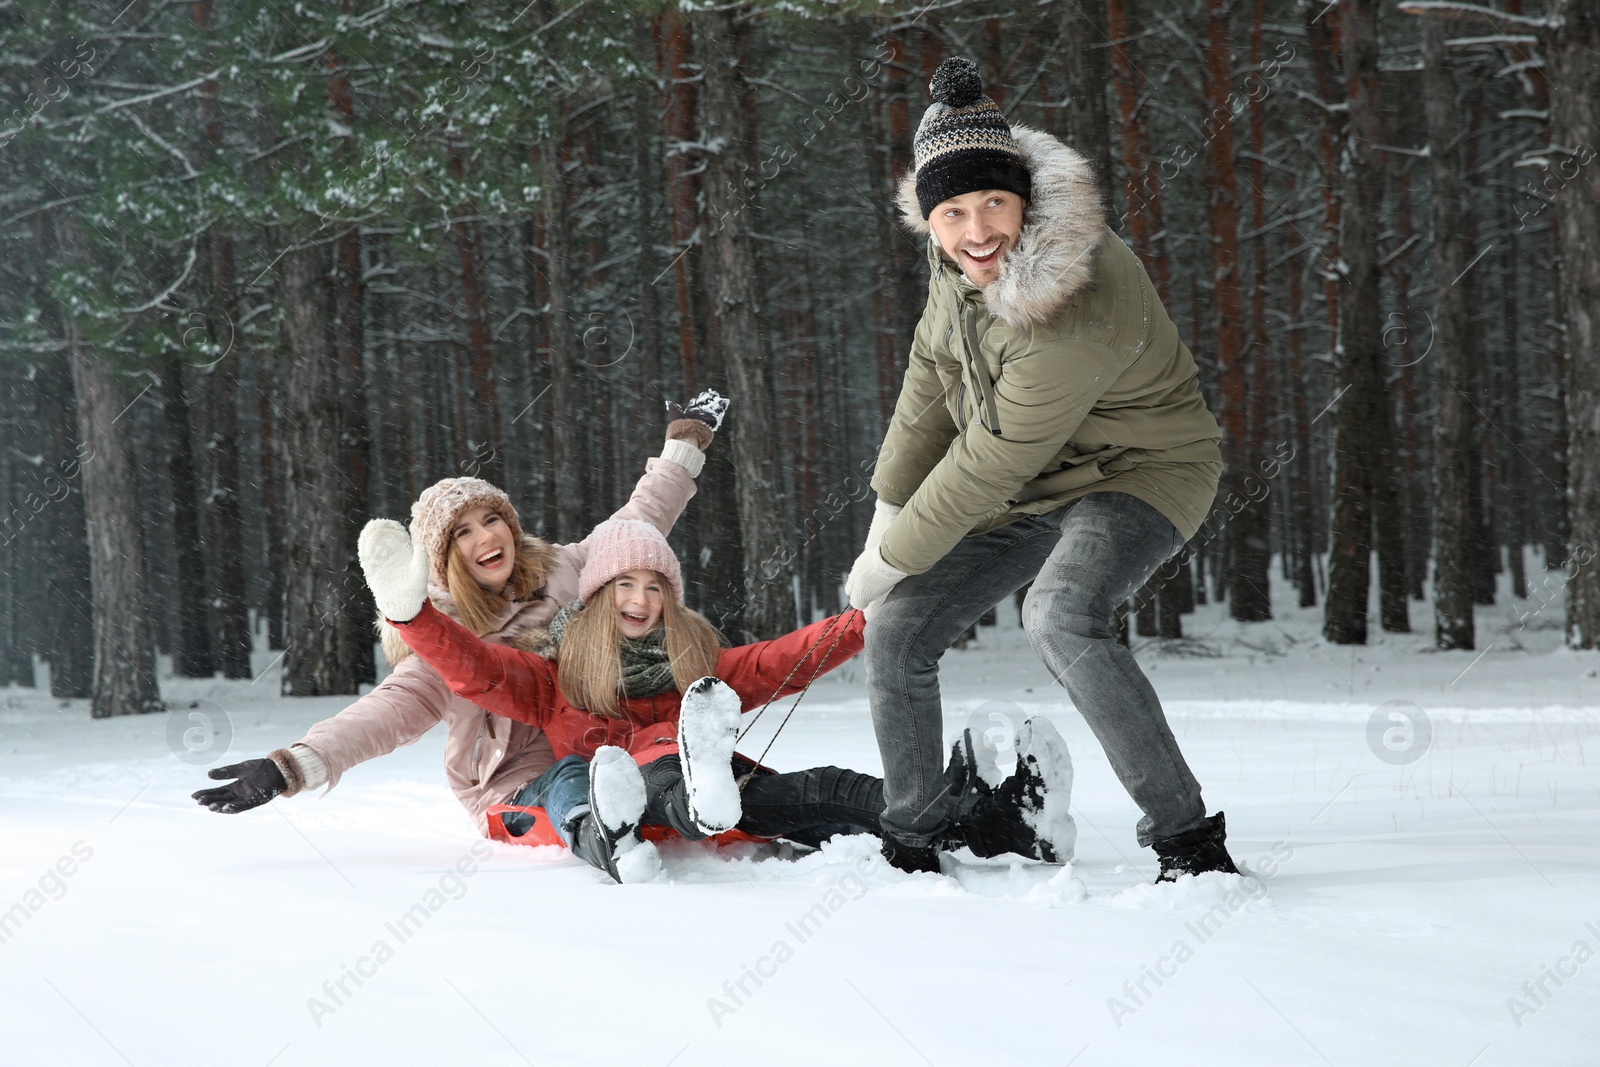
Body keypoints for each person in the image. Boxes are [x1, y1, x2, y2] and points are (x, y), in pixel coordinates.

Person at [843, 57, 1239, 882]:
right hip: (1036, 480)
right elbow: (928, 378)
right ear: (929, 220)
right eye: (952, 211)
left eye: (994, 202)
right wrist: (888, 509)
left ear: (1025, 196)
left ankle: (1188, 840)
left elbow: (990, 459)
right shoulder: (956, 265)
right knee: (900, 629)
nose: (977, 229)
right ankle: (913, 837)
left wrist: (891, 556)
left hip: (1141, 471)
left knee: (1060, 614)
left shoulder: (1074, 291)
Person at [358, 516, 1076, 883]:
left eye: (654, 587)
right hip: (609, 799)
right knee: (609, 773)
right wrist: (412, 615)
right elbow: (473, 667)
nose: (639, 599)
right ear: (597, 597)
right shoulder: (549, 675)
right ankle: (633, 827)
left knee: (829, 791)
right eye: (623, 587)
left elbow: (785, 658)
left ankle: (996, 820)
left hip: (720, 799)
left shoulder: (694, 666)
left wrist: (870, 616)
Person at [192, 392, 730, 845]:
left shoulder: (567, 573)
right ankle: (603, 832)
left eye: (492, 519)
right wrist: (293, 765)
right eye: (463, 533)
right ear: (444, 558)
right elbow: (390, 709)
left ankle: (745, 805)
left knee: (653, 767)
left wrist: (683, 445)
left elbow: (637, 520)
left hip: (604, 749)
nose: (487, 536)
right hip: (514, 790)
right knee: (572, 783)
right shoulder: (445, 641)